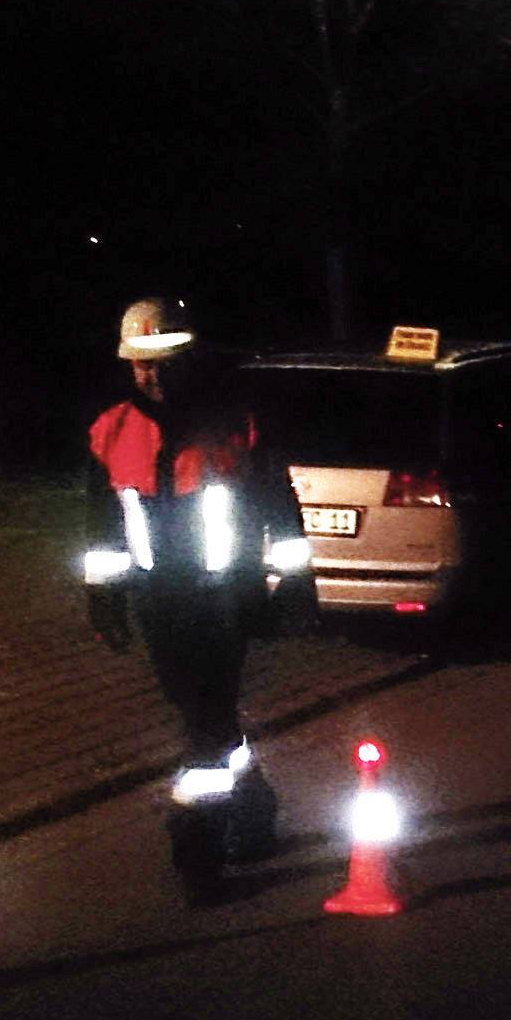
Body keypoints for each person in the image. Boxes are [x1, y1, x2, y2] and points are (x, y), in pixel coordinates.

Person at [80, 297, 314, 890]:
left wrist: (293, 582)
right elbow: (102, 525)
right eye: (143, 364)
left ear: (190, 359)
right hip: (157, 601)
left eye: (165, 362)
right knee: (206, 715)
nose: (154, 375)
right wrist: (104, 596)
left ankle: (197, 841)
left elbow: (280, 509)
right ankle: (254, 806)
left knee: (204, 723)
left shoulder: (236, 425)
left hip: (227, 598)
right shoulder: (111, 430)